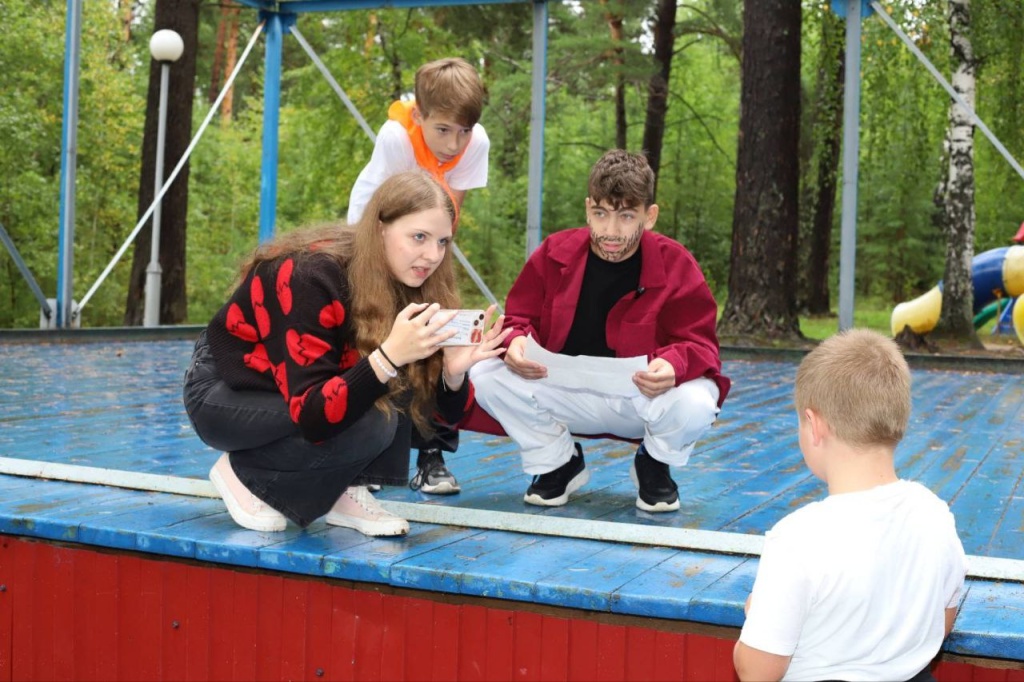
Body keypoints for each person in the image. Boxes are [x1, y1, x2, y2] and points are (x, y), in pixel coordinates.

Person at [183, 170, 508, 536]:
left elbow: (438, 418)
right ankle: (247, 473)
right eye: (419, 237)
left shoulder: (414, 280)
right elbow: (311, 413)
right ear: (381, 228)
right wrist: (387, 357)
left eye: (443, 242)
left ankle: (344, 491)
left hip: (300, 392)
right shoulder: (308, 275)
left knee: (388, 390)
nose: (432, 255)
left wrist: (453, 373)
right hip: (227, 392)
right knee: (375, 403)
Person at [468, 149, 730, 512]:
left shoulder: (676, 264)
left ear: (649, 216)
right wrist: (514, 344)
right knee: (484, 373)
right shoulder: (553, 253)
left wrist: (672, 365)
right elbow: (517, 319)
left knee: (701, 399)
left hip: (642, 397)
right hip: (563, 389)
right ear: (588, 208)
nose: (610, 231)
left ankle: (654, 464)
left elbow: (699, 344)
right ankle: (558, 463)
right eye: (601, 214)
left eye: (626, 216)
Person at [733, 329, 967, 682]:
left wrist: (759, 616)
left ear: (814, 426)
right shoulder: (936, 515)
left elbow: (756, 671)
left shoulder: (799, 538)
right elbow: (941, 623)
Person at [347, 56, 491, 496]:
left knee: (440, 335)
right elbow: (386, 211)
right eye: (443, 130)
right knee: (374, 336)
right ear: (420, 116)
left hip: (428, 235)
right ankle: (362, 457)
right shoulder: (396, 136)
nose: (454, 143)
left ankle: (432, 456)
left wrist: (435, 257)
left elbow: (451, 209)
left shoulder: (475, 141)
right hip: (373, 233)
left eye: (463, 131)